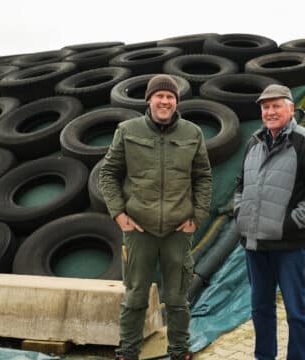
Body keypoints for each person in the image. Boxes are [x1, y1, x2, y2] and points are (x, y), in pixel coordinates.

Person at [99, 74, 212, 360]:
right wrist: (119, 214)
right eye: (159, 96)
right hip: (139, 229)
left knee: (178, 299)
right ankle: (127, 352)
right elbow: (108, 174)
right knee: (135, 297)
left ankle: (179, 351)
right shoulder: (127, 130)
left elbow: (203, 177)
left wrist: (197, 216)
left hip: (178, 229)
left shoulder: (192, 133)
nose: (165, 101)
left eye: (170, 97)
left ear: (176, 102)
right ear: (149, 100)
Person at [234, 84, 305, 360]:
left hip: (289, 247)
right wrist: (240, 211)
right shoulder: (253, 143)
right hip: (255, 245)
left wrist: (291, 223)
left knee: (295, 311)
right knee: (260, 309)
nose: (270, 111)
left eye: (276, 105)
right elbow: (241, 184)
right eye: (265, 107)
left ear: (290, 108)